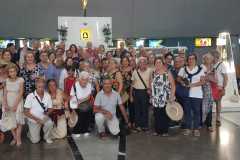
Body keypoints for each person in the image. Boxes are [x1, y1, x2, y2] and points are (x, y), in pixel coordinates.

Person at [178, 54, 205, 136]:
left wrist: (192, 85)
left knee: (197, 112)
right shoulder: (183, 69)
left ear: (195, 60)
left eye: (193, 59)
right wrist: (182, 82)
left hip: (197, 94)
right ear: (187, 60)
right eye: (189, 59)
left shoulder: (200, 69)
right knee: (187, 112)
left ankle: (196, 129)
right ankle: (188, 128)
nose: (191, 60)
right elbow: (178, 78)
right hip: (186, 94)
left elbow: (203, 81)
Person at [150, 57, 175, 136]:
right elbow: (150, 86)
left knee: (165, 114)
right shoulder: (153, 73)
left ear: (162, 64)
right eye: (156, 62)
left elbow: (173, 85)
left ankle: (165, 131)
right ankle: (157, 131)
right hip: (155, 97)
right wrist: (151, 96)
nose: (158, 64)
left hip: (165, 97)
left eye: (159, 62)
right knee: (157, 114)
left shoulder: (167, 73)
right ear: (154, 64)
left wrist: (171, 96)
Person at [24, 77, 54, 144]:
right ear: (36, 86)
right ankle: (30, 133)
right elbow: (26, 112)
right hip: (33, 119)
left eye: (43, 87)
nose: (41, 89)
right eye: (39, 87)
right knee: (35, 141)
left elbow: (51, 108)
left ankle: (47, 137)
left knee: (50, 123)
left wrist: (46, 115)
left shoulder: (47, 95)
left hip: (43, 117)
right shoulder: (30, 96)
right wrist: (37, 119)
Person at [2, 63, 25, 146]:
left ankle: (18, 139)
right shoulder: (6, 81)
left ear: (16, 71)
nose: (12, 73)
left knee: (19, 121)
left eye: (14, 71)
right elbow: (5, 93)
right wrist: (5, 104)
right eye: (10, 72)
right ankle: (15, 138)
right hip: (8, 101)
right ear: (8, 73)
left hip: (17, 101)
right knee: (11, 121)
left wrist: (15, 105)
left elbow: (21, 92)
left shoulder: (21, 80)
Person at [131, 57, 152, 132]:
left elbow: (151, 81)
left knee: (145, 110)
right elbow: (132, 85)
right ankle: (138, 126)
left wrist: (150, 91)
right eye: (140, 62)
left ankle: (145, 126)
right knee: (137, 110)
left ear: (146, 63)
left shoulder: (150, 70)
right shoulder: (135, 72)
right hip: (136, 92)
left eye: (144, 62)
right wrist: (131, 96)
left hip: (145, 92)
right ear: (138, 64)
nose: (142, 64)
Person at [70, 71, 93, 137]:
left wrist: (81, 101)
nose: (84, 81)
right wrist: (76, 104)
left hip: (84, 102)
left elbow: (88, 97)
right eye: (83, 79)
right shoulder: (75, 85)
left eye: (86, 80)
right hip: (75, 102)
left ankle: (85, 130)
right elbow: (71, 96)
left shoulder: (89, 85)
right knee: (80, 112)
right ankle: (76, 131)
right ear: (79, 79)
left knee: (88, 110)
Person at [201, 53, 216, 132]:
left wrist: (209, 77)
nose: (209, 60)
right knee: (203, 107)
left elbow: (215, 79)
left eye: (210, 58)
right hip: (203, 89)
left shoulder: (213, 67)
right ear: (204, 59)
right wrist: (209, 77)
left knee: (210, 106)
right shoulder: (201, 67)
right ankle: (201, 122)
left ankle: (209, 124)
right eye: (207, 58)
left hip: (211, 89)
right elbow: (202, 78)